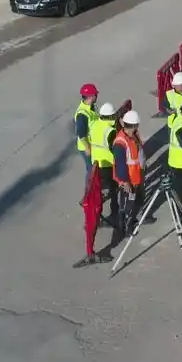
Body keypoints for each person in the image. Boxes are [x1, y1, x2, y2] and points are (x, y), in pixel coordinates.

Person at [74, 102, 119, 268]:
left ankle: (103, 216)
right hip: (107, 166)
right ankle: (106, 216)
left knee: (103, 193)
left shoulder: (96, 125)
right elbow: (116, 150)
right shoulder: (111, 131)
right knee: (109, 192)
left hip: (96, 165)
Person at [112, 109, 155, 227]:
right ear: (134, 125)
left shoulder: (133, 135)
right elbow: (120, 164)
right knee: (126, 205)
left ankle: (134, 218)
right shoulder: (120, 142)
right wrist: (125, 182)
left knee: (137, 199)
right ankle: (125, 228)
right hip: (128, 180)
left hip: (136, 176)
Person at [74, 83, 99, 177]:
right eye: (95, 95)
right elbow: (81, 133)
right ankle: (89, 190)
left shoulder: (90, 107)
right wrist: (87, 147)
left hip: (93, 143)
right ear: (91, 96)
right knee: (91, 169)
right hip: (86, 146)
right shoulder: (82, 114)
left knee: (94, 168)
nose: (97, 96)